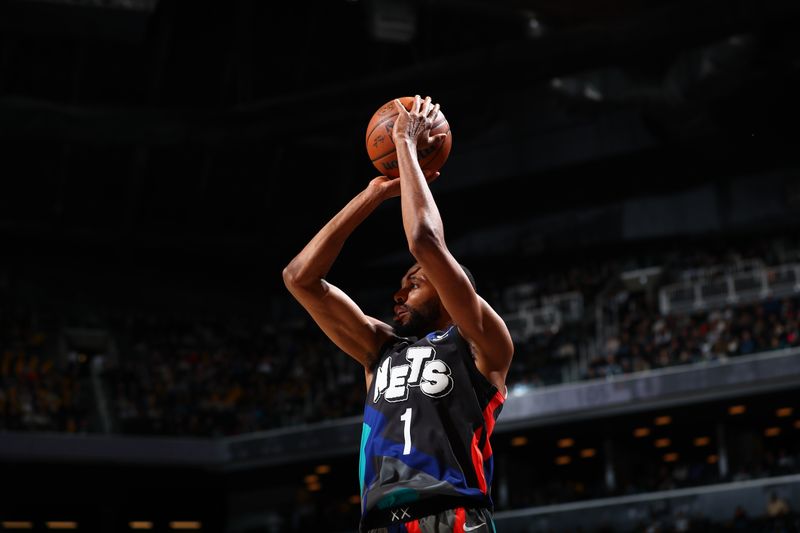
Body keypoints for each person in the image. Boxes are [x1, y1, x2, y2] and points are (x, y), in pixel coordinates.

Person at [283, 95, 514, 533]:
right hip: (379, 524)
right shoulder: (380, 349)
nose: (400, 291)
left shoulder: (482, 343)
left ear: (449, 292)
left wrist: (405, 144)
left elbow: (425, 240)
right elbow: (299, 279)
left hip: (454, 516)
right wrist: (370, 196)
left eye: (415, 281)